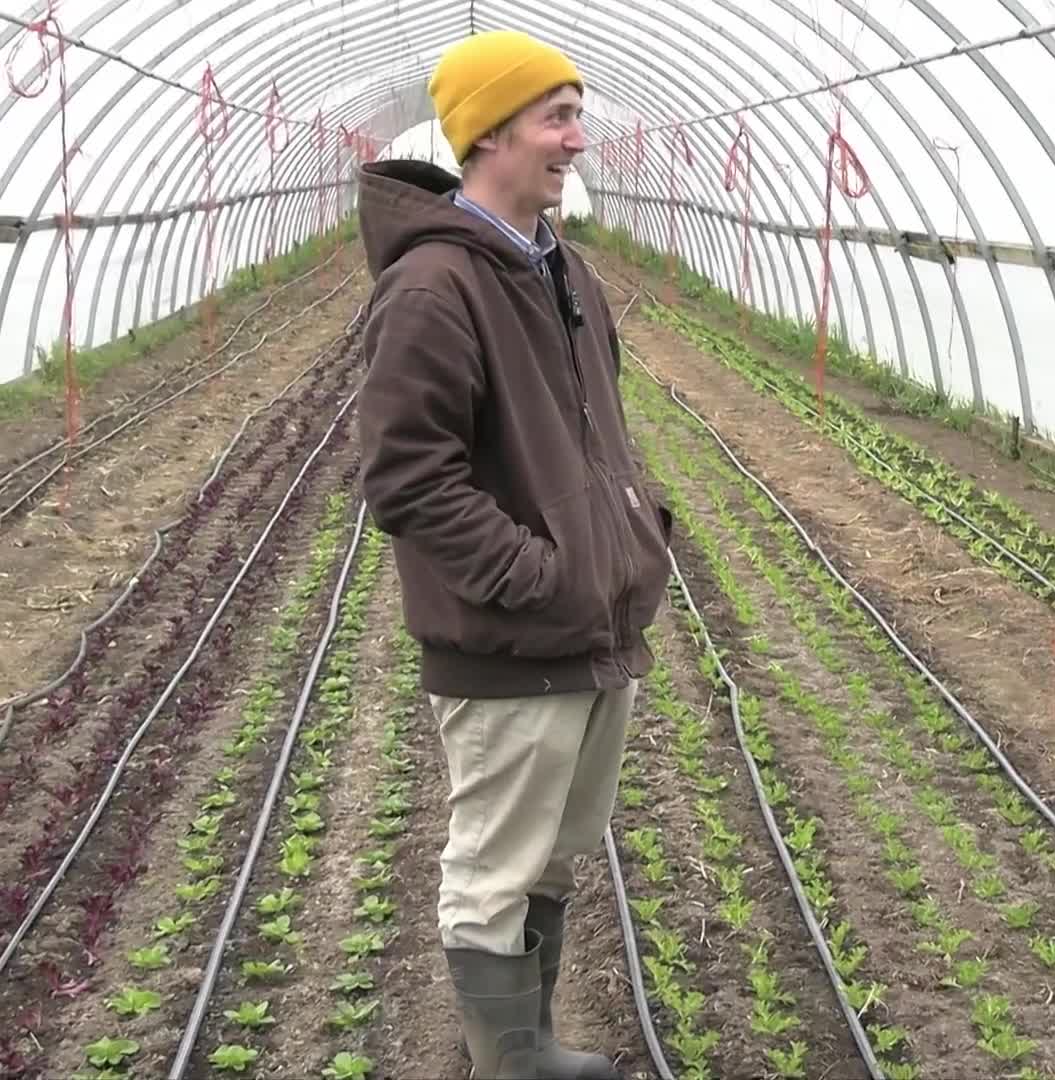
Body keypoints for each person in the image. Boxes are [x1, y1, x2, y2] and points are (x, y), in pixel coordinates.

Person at [355, 29, 673, 1080]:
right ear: (486, 132)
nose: (579, 139)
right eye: (557, 117)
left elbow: (593, 433)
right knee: (494, 869)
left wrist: (634, 534)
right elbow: (407, 480)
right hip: (514, 638)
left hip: (591, 626)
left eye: (578, 114)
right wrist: (534, 576)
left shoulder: (561, 267)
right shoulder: (436, 288)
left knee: (552, 854)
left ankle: (528, 1049)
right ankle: (508, 1064)